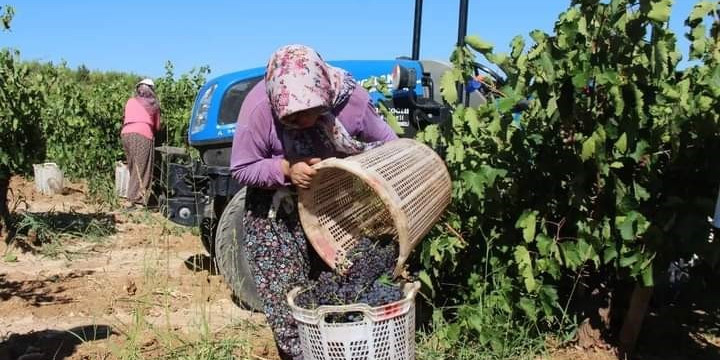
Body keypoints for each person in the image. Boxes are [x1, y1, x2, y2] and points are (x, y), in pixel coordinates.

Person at [230, 44, 398, 360]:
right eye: (293, 116)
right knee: (289, 303)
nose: (305, 120)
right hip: (276, 212)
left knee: (338, 294)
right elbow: (242, 167)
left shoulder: (352, 102)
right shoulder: (258, 108)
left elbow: (390, 147)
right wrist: (285, 168)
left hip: (334, 209)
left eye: (312, 110)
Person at [121, 78, 161, 209]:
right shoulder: (153, 103)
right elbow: (157, 126)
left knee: (133, 167)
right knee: (143, 168)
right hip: (143, 134)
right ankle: (137, 202)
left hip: (126, 133)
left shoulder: (130, 101)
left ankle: (131, 198)